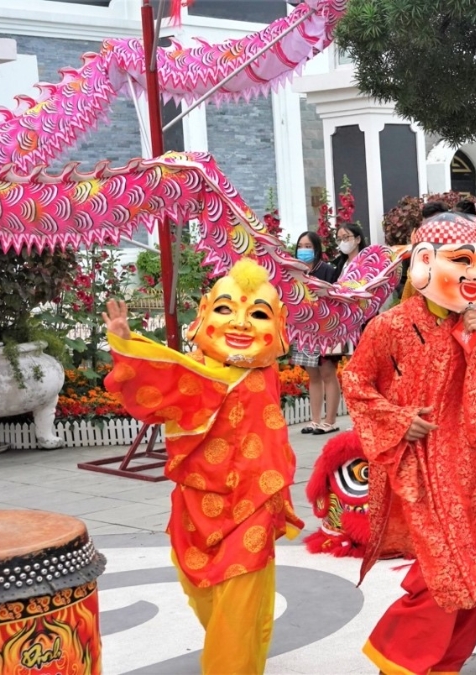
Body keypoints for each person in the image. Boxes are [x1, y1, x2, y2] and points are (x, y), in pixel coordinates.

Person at [102, 260, 303, 674]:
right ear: (205, 315)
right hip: (197, 502)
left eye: (259, 314)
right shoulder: (194, 372)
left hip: (253, 500)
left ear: (278, 326)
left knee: (242, 598)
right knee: (204, 593)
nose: (242, 324)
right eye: (226, 310)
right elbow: (155, 380)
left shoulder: (266, 372)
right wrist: (125, 343)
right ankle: (242, 651)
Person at [341, 212, 476, 675]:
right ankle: (397, 662)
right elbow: (356, 381)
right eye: (463, 260)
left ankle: (442, 667)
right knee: (440, 576)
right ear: (422, 263)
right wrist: (398, 419)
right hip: (422, 465)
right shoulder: (391, 326)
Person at [291, 232, 343, 435]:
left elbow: (337, 298)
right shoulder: (295, 272)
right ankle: (315, 420)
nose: (303, 250)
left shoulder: (328, 270)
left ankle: (330, 421)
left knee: (328, 372)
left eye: (308, 245)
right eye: (300, 246)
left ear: (316, 248)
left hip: (327, 328)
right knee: (312, 375)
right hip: (302, 328)